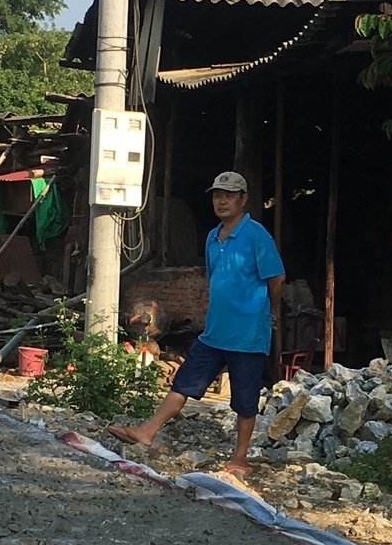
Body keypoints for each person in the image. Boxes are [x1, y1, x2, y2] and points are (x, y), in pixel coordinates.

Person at [109, 170, 285, 479]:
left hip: (246, 334)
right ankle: (147, 431)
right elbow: (212, 277)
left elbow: (278, 278)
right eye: (218, 195)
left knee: (245, 400)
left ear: (243, 199)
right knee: (184, 383)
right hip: (215, 331)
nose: (222, 200)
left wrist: (268, 310)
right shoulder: (212, 236)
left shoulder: (256, 235)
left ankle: (240, 458)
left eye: (229, 195)